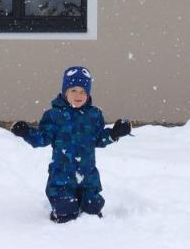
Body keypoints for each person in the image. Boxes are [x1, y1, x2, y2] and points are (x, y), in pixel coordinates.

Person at [11, 65, 131, 223]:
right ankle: (65, 208)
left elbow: (98, 138)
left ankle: (84, 199)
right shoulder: (55, 116)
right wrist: (26, 132)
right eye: (73, 90)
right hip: (62, 175)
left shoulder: (94, 115)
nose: (78, 95)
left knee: (93, 210)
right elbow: (42, 138)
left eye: (83, 91)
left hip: (88, 174)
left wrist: (114, 133)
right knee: (66, 213)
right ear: (65, 91)